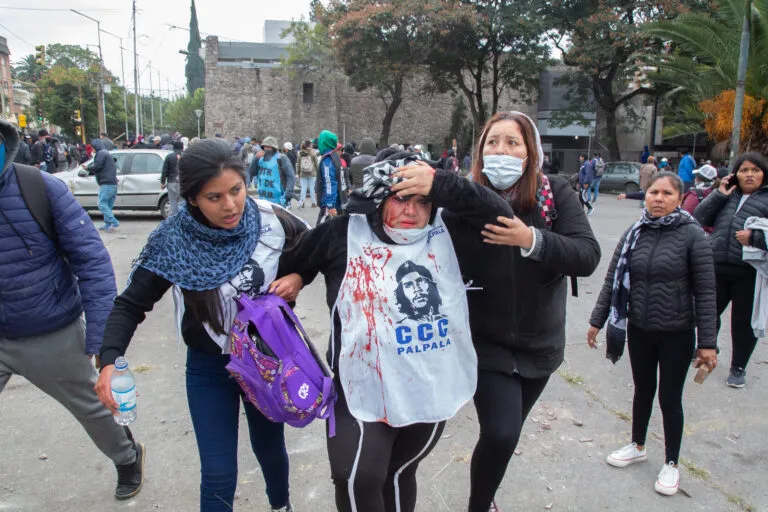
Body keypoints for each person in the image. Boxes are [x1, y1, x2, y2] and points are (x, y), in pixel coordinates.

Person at [279, 151, 515, 512]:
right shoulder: (344, 232)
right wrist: (299, 275)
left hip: (428, 384)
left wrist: (441, 183)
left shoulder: (448, 233)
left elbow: (501, 215)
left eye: (423, 201)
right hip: (360, 385)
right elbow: (292, 260)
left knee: (399, 472)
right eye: (401, 199)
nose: (412, 211)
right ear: (379, 198)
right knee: (356, 476)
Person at [94, 139, 309, 512]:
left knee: (270, 447)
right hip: (209, 369)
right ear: (192, 198)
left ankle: (281, 506)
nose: (230, 205)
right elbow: (130, 304)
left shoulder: (272, 220)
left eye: (236, 190)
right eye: (214, 197)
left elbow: (320, 250)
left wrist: (299, 276)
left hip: (267, 361)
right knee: (218, 472)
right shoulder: (173, 242)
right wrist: (109, 359)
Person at [457, 112, 600, 511]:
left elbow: (587, 254)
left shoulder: (555, 193)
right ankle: (479, 506)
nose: (501, 151)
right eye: (492, 142)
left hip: (541, 343)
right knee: (500, 432)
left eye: (512, 143)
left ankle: (484, 496)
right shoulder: (464, 198)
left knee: (505, 436)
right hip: (485, 343)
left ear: (530, 152)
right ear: (480, 151)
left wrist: (531, 239)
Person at [0, 119, 144, 501]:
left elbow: (92, 263)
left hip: (50, 331)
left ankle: (127, 457)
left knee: (93, 407)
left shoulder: (38, 188)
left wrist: (101, 343)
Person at [587, 171, 717, 496]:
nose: (658, 198)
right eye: (653, 192)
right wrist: (597, 320)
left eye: (666, 194)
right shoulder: (635, 232)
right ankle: (637, 445)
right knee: (642, 390)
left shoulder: (692, 235)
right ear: (645, 196)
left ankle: (672, 463)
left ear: (680, 198)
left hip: (677, 332)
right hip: (639, 328)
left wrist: (708, 343)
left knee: (669, 398)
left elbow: (706, 291)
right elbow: (612, 280)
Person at [694, 152, 768, 388]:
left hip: (749, 271)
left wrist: (755, 238)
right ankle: (708, 347)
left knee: (742, 323)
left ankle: (738, 367)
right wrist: (719, 194)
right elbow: (699, 217)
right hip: (717, 265)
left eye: (755, 170)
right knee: (707, 312)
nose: (749, 175)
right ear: (736, 174)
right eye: (744, 170)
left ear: (763, 174)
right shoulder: (728, 195)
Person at [248, 136, 296, 208]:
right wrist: (255, 159)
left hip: (278, 200)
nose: (266, 149)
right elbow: (251, 172)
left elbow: (291, 176)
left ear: (273, 148)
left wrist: (289, 191)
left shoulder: (281, 158)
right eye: (265, 147)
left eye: (268, 147)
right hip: (263, 200)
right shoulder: (260, 159)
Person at [315, 130, 349, 222]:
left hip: (331, 203)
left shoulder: (328, 159)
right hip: (340, 199)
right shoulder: (335, 156)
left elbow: (329, 182)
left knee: (321, 229)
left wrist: (330, 204)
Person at [90, 138, 119, 232]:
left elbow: (97, 166)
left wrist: (87, 168)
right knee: (108, 205)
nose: (92, 150)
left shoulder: (101, 154)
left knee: (101, 204)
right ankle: (108, 225)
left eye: (92, 147)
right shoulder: (106, 153)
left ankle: (113, 221)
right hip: (112, 183)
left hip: (106, 183)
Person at [161, 140, 184, 215]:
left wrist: (162, 182)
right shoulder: (186, 156)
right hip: (183, 183)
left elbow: (165, 170)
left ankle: (175, 217)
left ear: (173, 148)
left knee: (173, 202)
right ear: (182, 148)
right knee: (182, 203)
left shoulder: (169, 157)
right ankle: (181, 217)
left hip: (171, 182)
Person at [296, 140, 319, 208]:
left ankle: (302, 202)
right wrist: (318, 172)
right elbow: (316, 163)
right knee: (312, 188)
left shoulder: (300, 153)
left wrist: (298, 172)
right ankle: (313, 203)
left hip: (303, 173)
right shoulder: (312, 152)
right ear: (310, 145)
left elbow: (298, 164)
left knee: (303, 188)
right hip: (312, 173)